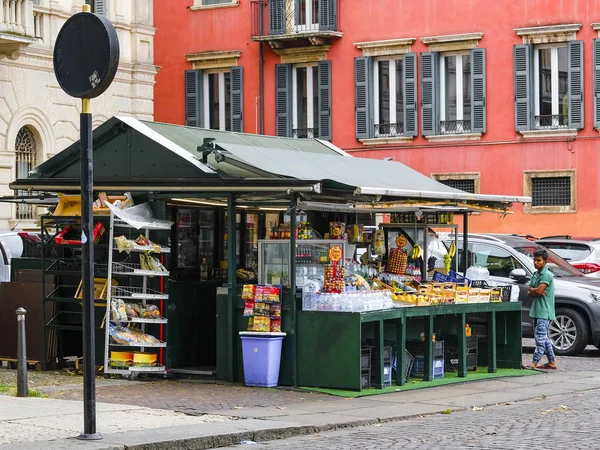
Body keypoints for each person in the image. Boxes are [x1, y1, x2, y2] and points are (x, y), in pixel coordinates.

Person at [524, 249, 557, 370]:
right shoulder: (535, 274)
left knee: (540, 337)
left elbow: (538, 291)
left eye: (539, 260)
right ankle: (552, 361)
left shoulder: (547, 275)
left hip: (544, 311)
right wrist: (535, 291)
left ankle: (534, 362)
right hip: (536, 310)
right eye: (535, 260)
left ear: (545, 261)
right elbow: (530, 291)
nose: (536, 263)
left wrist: (535, 291)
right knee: (544, 337)